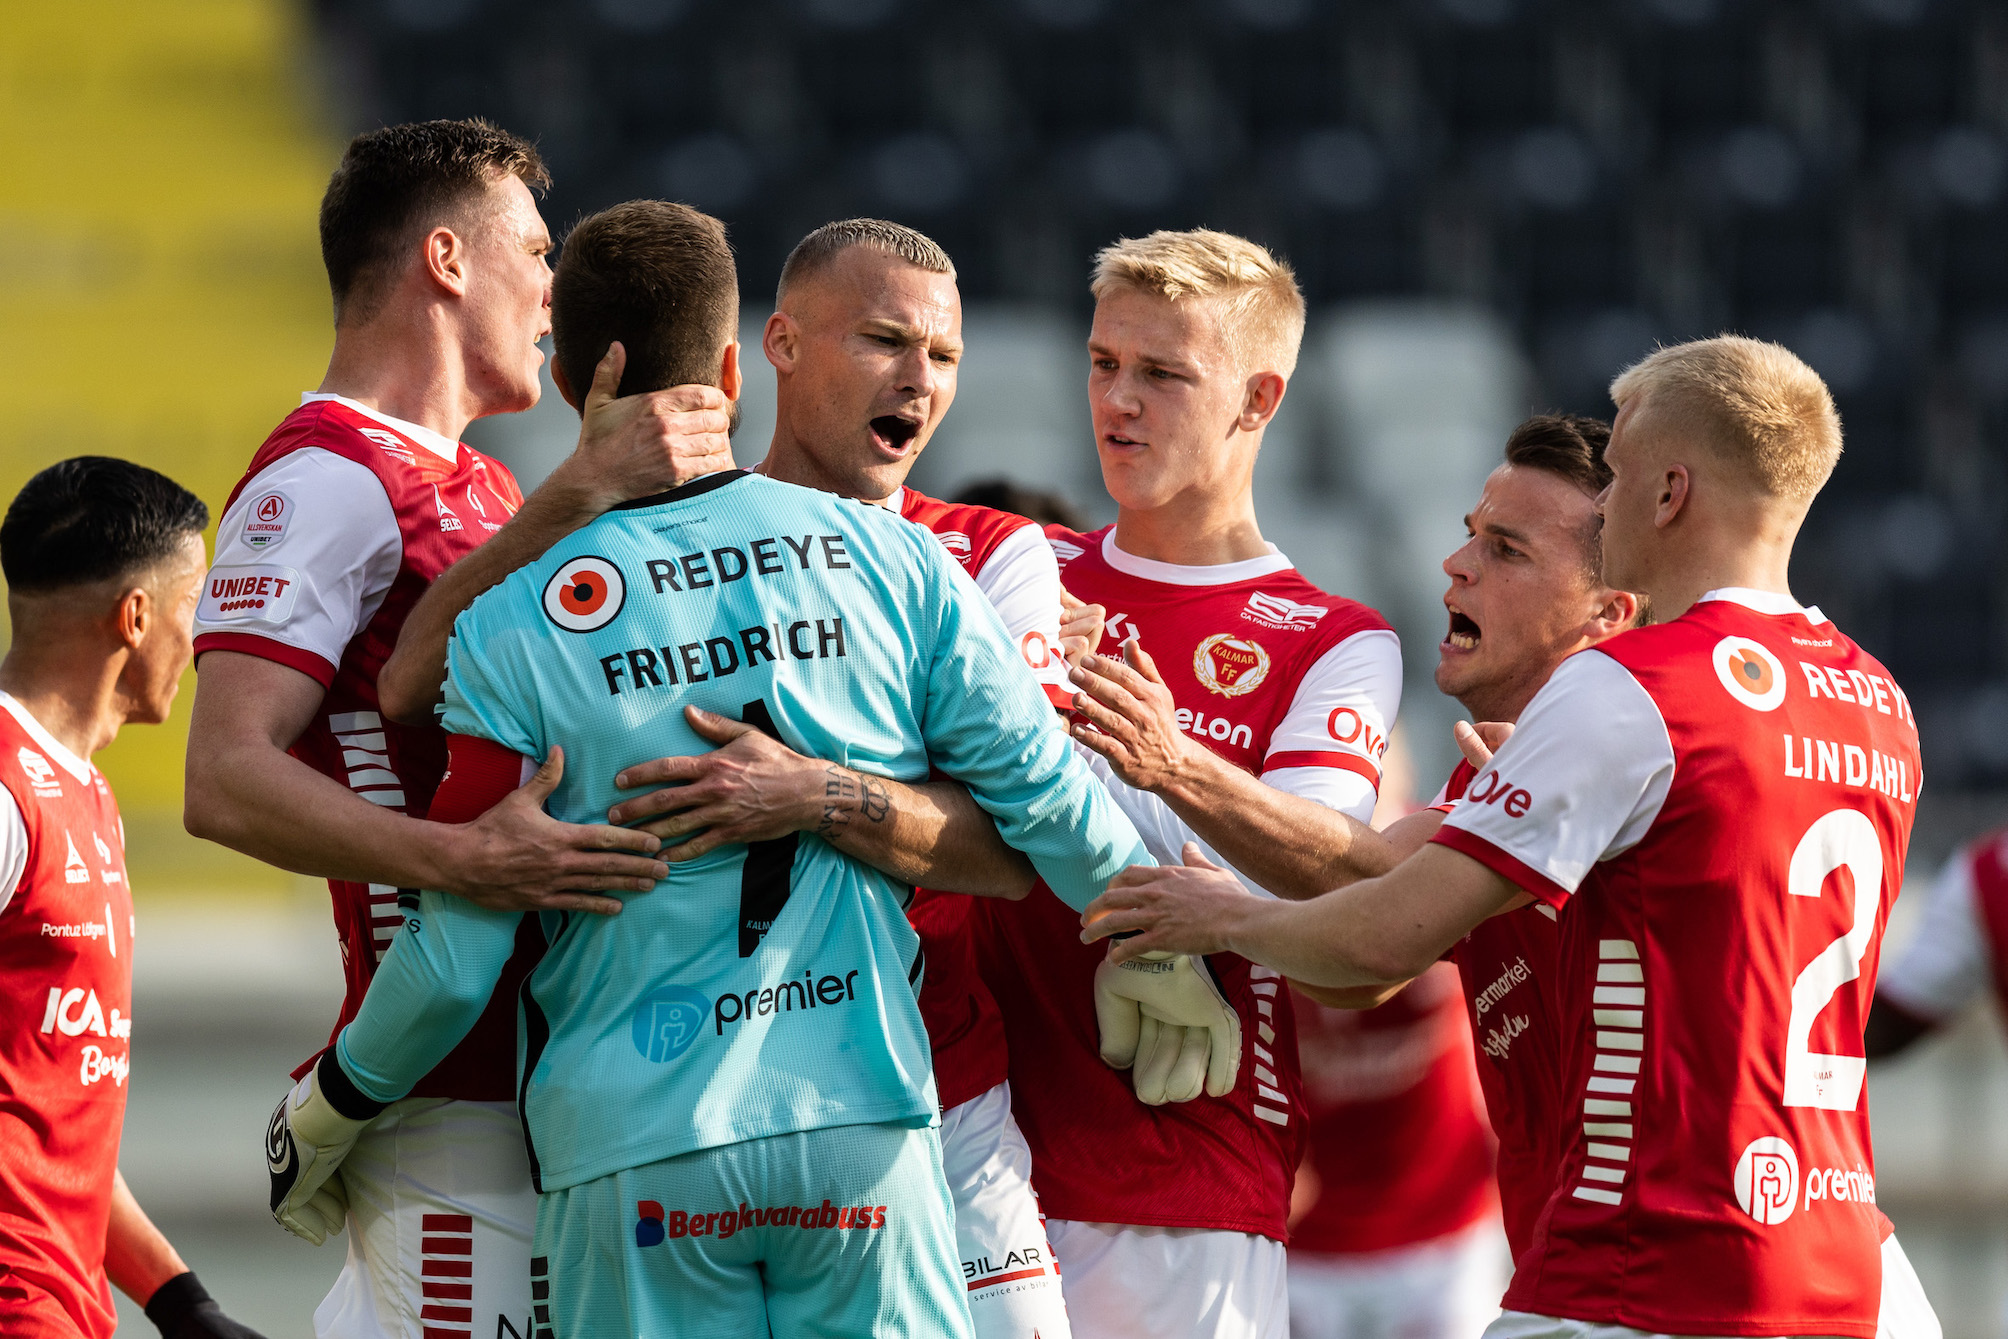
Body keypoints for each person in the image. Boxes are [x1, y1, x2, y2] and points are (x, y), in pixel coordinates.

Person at [264, 198, 1154, 1339]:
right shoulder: (893, 556)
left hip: (634, 1150)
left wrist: (334, 1106)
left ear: (580, 377)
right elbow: (1045, 793)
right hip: (860, 1126)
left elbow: (455, 951)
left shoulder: (517, 617)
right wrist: (1153, 942)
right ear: (739, 367)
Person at [1085, 335, 1929, 1339]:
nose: (1455, 565)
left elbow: (1375, 925)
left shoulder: (1635, 699)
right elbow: (1362, 935)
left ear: (1663, 497)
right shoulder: (1877, 698)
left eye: (1507, 547)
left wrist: (1206, 865)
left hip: (1644, 1267)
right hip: (1847, 1269)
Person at [181, 120, 733, 1338]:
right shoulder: (324, 473)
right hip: (446, 1083)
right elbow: (222, 777)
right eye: (535, 252)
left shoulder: (484, 483)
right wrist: (469, 862)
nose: (556, 291)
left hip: (540, 1069)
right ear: (445, 260)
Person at [975, 228, 1402, 1339]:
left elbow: (1319, 868)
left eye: (1162, 374)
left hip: (1174, 1172)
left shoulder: (1333, 641)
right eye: (1104, 363)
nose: (1119, 401)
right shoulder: (1015, 573)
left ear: (1258, 399)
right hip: (962, 1146)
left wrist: (1172, 763)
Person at [0, 458, 266, 1339]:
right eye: (194, 608)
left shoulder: (87, 795)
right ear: (137, 616)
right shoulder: (5, 788)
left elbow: (51, 1110)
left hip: (72, 1307)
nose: (200, 641)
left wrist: (180, 1301)